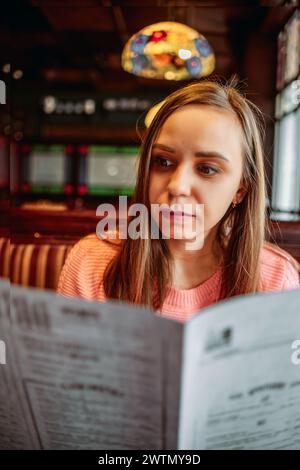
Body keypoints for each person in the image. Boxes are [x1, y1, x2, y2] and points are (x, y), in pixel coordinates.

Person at [57, 78, 299, 323]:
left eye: (207, 169)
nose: (177, 186)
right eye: (163, 162)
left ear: (240, 189)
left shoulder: (277, 280)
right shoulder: (92, 263)